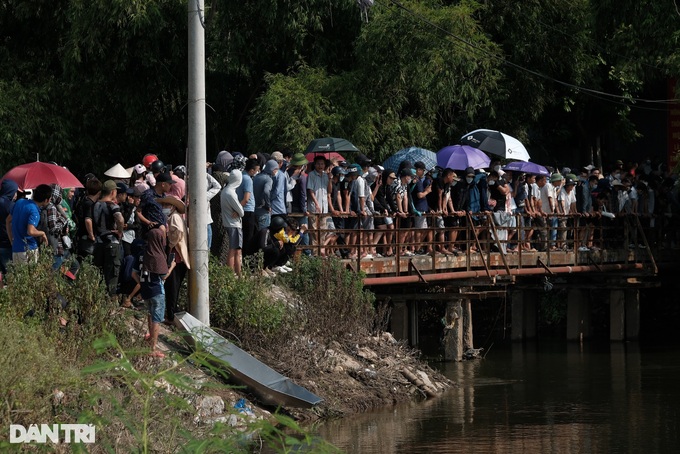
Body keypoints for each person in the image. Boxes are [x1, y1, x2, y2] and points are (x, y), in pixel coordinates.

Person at [133, 216, 168, 358]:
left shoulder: (142, 253)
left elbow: (133, 273)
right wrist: (171, 266)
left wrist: (141, 283)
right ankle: (153, 348)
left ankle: (149, 339)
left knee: (149, 314)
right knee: (157, 319)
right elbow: (163, 276)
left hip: (145, 290)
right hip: (157, 290)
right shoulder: (158, 255)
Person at [93, 180, 125, 297]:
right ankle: (110, 303)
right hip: (111, 242)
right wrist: (120, 231)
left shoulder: (95, 204)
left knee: (99, 273)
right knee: (112, 275)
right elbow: (120, 219)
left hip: (98, 242)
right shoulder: (112, 205)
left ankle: (98, 300)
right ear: (112, 192)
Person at [161, 196, 189, 321]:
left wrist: (170, 243)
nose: (164, 207)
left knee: (172, 286)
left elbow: (177, 233)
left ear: (172, 207)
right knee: (173, 286)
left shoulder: (174, 217)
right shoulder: (176, 217)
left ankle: (171, 315)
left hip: (176, 256)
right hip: (178, 255)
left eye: (167, 205)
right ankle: (171, 313)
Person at [8, 184, 50, 263]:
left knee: (17, 275)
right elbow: (31, 231)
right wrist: (42, 233)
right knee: (31, 275)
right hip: (28, 250)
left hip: (16, 249)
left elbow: (7, 221)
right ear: (46, 200)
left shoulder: (19, 202)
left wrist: (11, 240)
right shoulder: (34, 211)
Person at [221, 169, 245, 275]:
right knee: (235, 250)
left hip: (228, 222)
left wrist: (237, 211)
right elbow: (241, 211)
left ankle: (233, 274)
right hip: (234, 224)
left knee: (234, 249)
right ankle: (236, 274)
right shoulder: (231, 193)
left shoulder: (225, 191)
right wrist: (238, 211)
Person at [237, 158, 259, 255]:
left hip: (243, 210)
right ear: (252, 170)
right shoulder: (248, 179)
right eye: (257, 170)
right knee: (249, 237)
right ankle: (247, 258)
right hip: (248, 210)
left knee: (244, 236)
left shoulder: (241, 176)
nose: (257, 172)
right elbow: (246, 198)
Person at [0, 179, 18, 278]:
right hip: (6, 243)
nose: (16, 194)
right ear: (10, 191)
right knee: (10, 275)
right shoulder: (10, 205)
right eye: (15, 192)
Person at [253, 159, 278, 230]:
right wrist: (268, 205)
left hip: (254, 209)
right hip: (263, 211)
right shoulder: (268, 179)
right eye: (276, 169)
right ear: (273, 169)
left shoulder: (257, 177)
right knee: (263, 234)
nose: (276, 172)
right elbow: (266, 191)